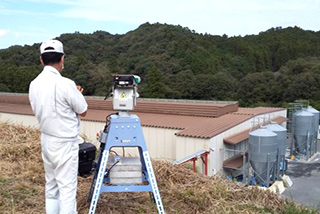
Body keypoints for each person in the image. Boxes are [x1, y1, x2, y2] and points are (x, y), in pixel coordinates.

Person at [29, 39, 88, 214]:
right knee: (67, 189)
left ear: (41, 59)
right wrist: (76, 94)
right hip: (65, 143)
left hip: (47, 139)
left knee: (52, 186)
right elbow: (83, 110)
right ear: (62, 58)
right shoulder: (66, 84)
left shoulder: (34, 84)